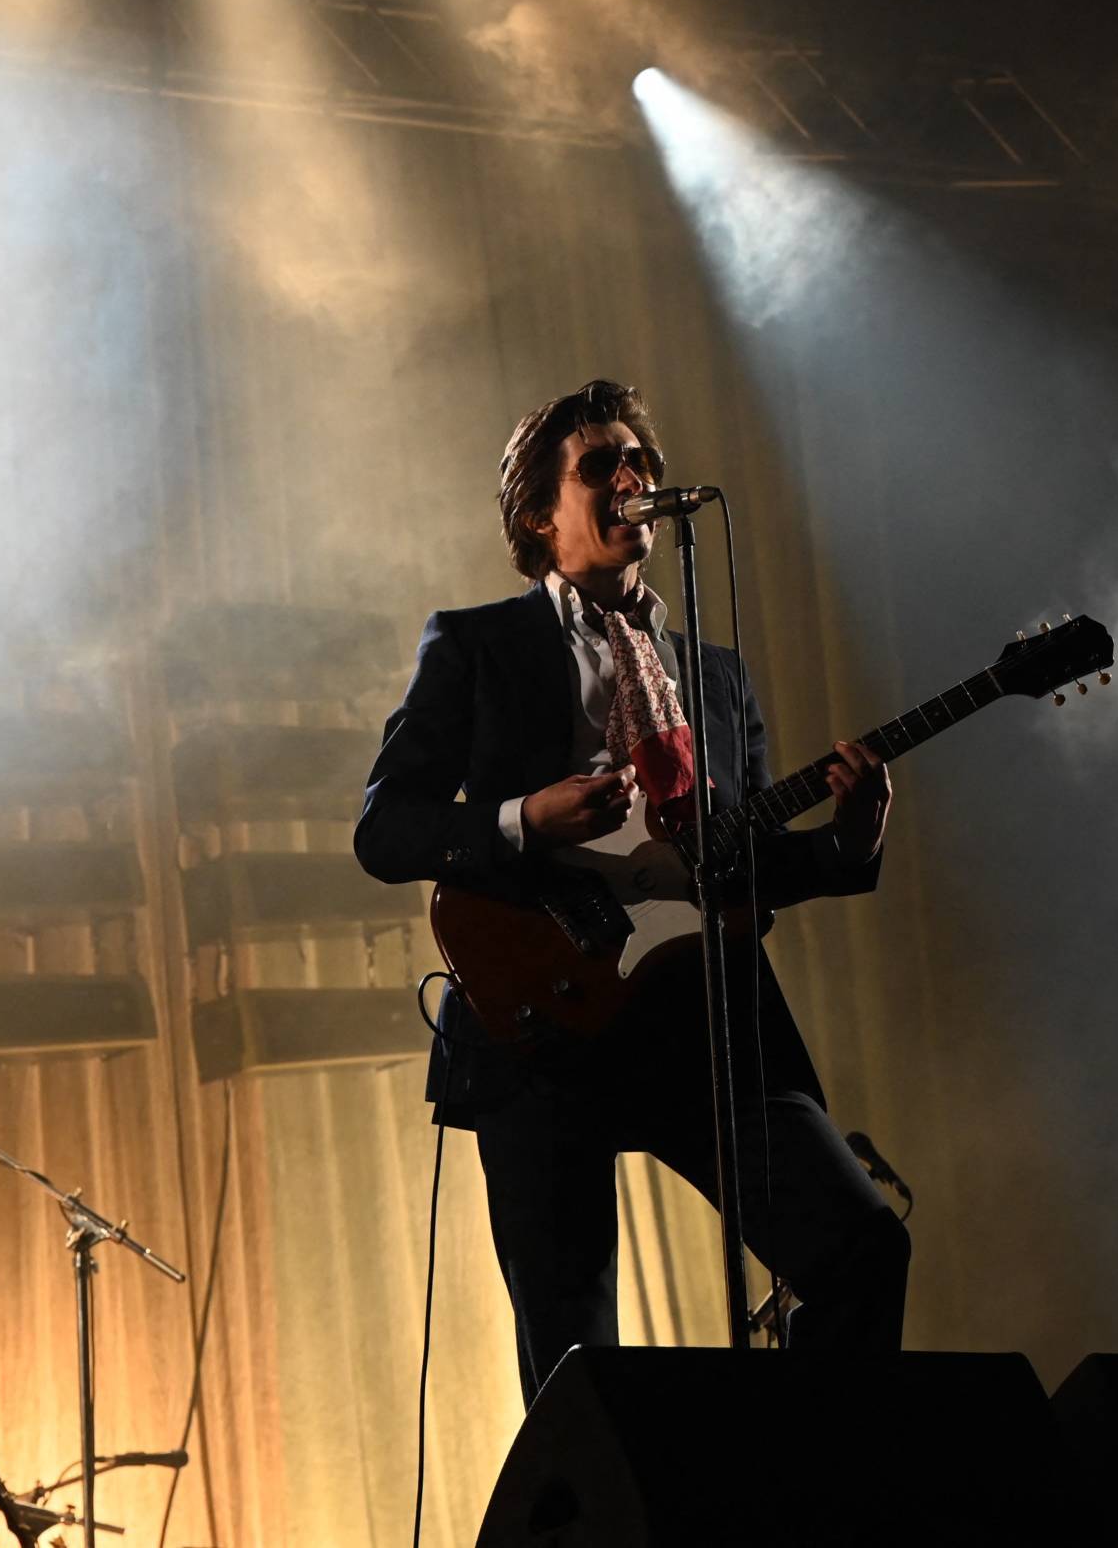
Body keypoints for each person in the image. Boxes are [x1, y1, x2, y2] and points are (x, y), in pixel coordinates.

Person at [355, 379, 909, 1402]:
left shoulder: (716, 671)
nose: (630, 479)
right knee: (577, 1360)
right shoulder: (477, 645)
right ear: (537, 511)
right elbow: (385, 829)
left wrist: (843, 845)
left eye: (639, 463)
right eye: (601, 464)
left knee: (861, 1245)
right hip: (541, 1020)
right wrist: (527, 815)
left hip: (699, 1017)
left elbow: (729, 871)